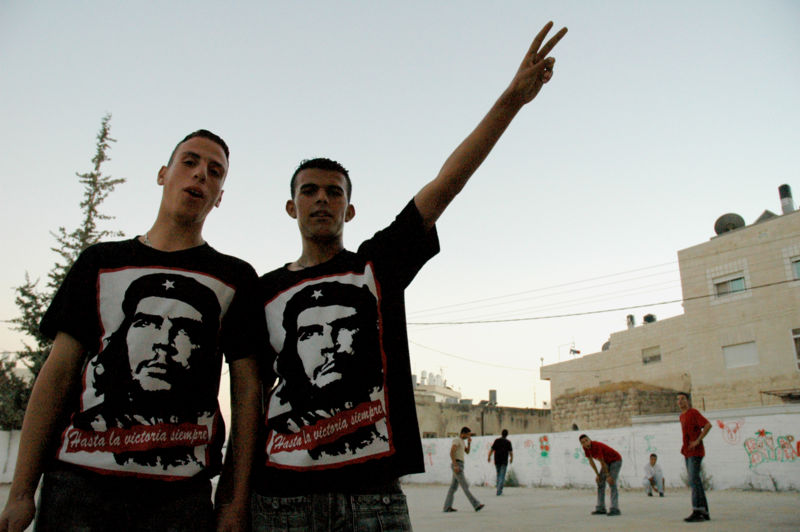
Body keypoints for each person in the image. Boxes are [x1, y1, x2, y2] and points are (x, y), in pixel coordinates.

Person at [249, 20, 568, 531]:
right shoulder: (261, 292)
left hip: (373, 499)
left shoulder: (377, 267)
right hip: (282, 502)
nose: (322, 200)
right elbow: (251, 400)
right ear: (291, 206)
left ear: (350, 209)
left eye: (334, 192)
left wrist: (512, 99)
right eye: (310, 191)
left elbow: (446, 184)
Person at [0, 130, 263, 532]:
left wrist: (232, 500)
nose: (200, 176)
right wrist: (21, 491)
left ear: (220, 195)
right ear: (163, 174)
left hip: (180, 498)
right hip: (78, 488)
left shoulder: (235, 277)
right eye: (189, 163)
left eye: (215, 171)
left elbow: (247, 393)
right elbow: (57, 374)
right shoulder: (101, 262)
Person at [678, 391, 712, 522]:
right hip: (687, 451)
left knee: (693, 480)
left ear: (688, 401)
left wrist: (698, 440)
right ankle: (704, 511)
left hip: (695, 452)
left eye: (682, 399)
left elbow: (708, 425)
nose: (680, 401)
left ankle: (697, 511)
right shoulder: (681, 416)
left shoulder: (694, 413)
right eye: (678, 399)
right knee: (696, 481)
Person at [579, 434, 622, 516]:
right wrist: (597, 475)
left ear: (590, 440)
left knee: (611, 482)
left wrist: (608, 475)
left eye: (586, 440)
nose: (586, 443)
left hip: (615, 460)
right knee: (600, 482)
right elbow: (591, 462)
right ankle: (601, 508)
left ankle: (615, 508)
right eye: (583, 442)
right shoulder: (585, 449)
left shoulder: (596, 446)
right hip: (606, 462)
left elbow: (602, 461)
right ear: (582, 444)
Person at [443, 427, 484, 512]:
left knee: (453, 488)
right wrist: (455, 465)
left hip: (460, 464)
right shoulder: (457, 440)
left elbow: (467, 452)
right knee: (465, 486)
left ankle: (447, 507)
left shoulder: (462, 442)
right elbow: (451, 452)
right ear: (463, 433)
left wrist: (469, 443)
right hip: (457, 464)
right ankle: (476, 504)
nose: (469, 436)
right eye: (468, 434)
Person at [488, 429, 514, 495]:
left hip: (497, 460)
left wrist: (489, 457)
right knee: (502, 476)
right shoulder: (508, 442)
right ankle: (499, 491)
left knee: (498, 475)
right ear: (507, 435)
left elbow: (492, 450)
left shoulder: (497, 441)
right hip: (504, 461)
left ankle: (498, 489)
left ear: (501, 433)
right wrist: (511, 459)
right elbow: (510, 452)